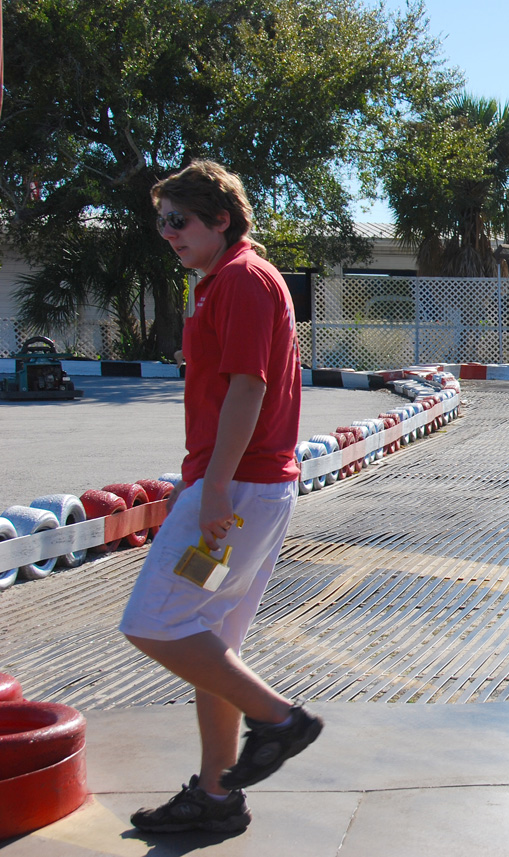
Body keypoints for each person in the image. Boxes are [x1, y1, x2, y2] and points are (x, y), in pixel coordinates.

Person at [119, 159, 321, 835]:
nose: (168, 233)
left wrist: (213, 491)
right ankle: (216, 794)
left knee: (153, 621)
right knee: (211, 643)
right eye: (161, 223)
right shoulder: (225, 281)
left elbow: (248, 387)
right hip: (246, 484)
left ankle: (280, 719)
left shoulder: (240, 278)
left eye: (179, 220)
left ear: (220, 219)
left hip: (239, 489)